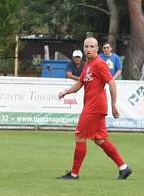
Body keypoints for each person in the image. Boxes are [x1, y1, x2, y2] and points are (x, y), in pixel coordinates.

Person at [56, 37, 132, 180]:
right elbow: (79, 84)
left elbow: (112, 83)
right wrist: (65, 92)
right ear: (83, 48)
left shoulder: (99, 64)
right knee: (100, 139)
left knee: (79, 135)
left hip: (95, 107)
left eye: (92, 46)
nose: (88, 49)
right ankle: (123, 167)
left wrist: (114, 105)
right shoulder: (87, 65)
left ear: (97, 49)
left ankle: (74, 174)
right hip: (93, 106)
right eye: (86, 46)